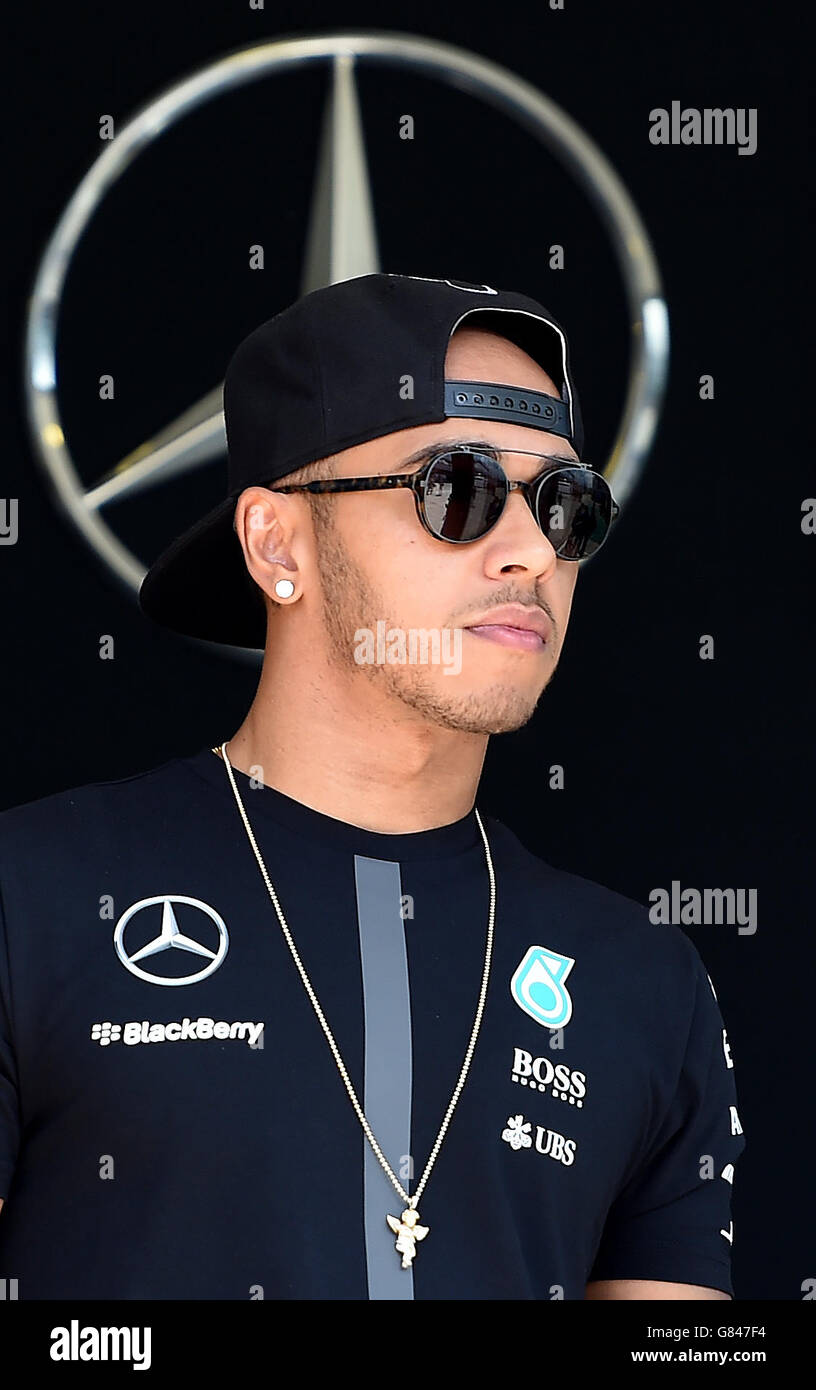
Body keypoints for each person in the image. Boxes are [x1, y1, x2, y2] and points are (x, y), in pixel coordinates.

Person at [0, 273, 745, 1300]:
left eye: (566, 505)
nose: (530, 550)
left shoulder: (646, 985)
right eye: (457, 489)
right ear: (277, 542)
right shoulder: (31, 902)